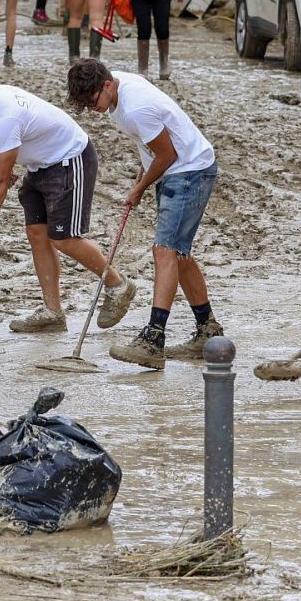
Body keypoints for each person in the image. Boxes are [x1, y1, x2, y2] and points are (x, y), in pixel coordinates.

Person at [0, 71, 135, 333]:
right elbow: (7, 159)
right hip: (40, 165)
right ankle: (53, 312)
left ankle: (118, 285)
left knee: (64, 238)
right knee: (37, 233)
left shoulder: (5, 118)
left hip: (70, 159)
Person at [67, 59, 223, 369]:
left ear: (107, 85)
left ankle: (153, 340)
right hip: (179, 169)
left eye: (92, 100)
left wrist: (139, 188)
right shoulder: (119, 87)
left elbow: (167, 153)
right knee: (178, 254)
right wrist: (142, 177)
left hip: (189, 171)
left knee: (164, 250)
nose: (92, 109)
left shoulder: (135, 108)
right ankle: (208, 330)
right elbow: (151, 146)